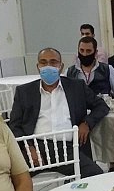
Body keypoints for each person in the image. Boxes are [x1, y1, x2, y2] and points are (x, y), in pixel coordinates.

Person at [9, 48, 108, 179]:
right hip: (36, 148)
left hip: (67, 149)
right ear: (38, 67)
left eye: (53, 62)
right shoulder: (25, 91)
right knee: (10, 180)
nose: (48, 66)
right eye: (43, 62)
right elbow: (14, 125)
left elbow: (101, 106)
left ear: (61, 67)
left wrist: (86, 123)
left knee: (95, 175)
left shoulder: (76, 87)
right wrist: (29, 148)